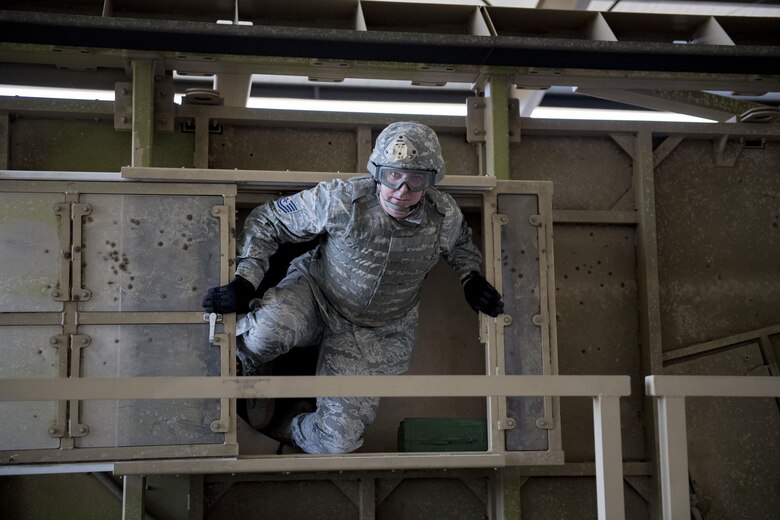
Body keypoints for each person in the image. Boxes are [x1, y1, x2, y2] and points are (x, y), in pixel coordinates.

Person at [202, 121, 504, 454]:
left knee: (337, 442)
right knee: (264, 334)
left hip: (377, 331)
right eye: (393, 176)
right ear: (377, 173)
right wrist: (246, 279)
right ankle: (254, 362)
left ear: (431, 181)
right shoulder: (341, 200)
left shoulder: (443, 216)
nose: (402, 190)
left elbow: (461, 245)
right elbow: (268, 220)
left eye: (416, 179)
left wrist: (470, 278)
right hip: (316, 296)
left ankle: (286, 425)